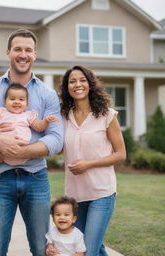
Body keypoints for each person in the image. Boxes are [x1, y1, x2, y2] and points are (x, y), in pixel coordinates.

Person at [0, 28, 63, 256]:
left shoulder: (47, 95)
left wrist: (20, 150)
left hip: (36, 179)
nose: (23, 54)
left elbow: (56, 139)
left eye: (28, 50)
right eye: (18, 49)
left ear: (35, 54)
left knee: (41, 247)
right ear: (8, 52)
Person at [55, 65, 126, 256]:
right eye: (72, 81)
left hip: (101, 193)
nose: (77, 84)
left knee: (87, 249)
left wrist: (89, 164)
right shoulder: (63, 117)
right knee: (94, 247)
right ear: (67, 87)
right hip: (75, 196)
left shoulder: (106, 115)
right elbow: (57, 148)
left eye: (82, 80)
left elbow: (120, 154)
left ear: (90, 84)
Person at [0, 82, 58, 205]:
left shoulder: (28, 115)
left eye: (21, 99)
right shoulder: (1, 112)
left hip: (20, 151)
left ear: (27, 103)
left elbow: (39, 127)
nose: (16, 102)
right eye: (12, 99)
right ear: (5, 101)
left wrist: (45, 121)